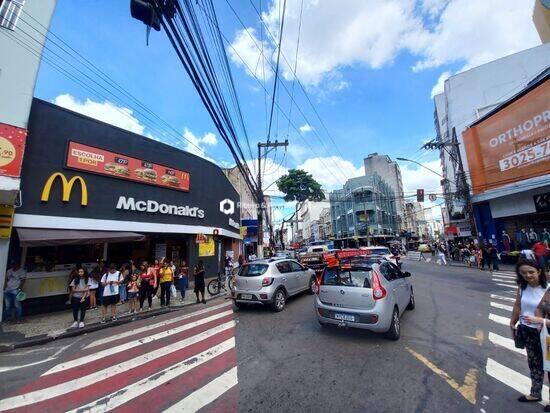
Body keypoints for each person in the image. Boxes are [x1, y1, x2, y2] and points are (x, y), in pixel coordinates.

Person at [510, 259, 548, 406]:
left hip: (545, 332)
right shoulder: (522, 287)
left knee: (549, 365)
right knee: (534, 363)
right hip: (527, 330)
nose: (528, 275)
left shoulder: (548, 288)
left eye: (531, 272)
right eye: (523, 273)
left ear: (539, 271)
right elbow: (518, 305)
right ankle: (535, 393)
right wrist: (512, 321)